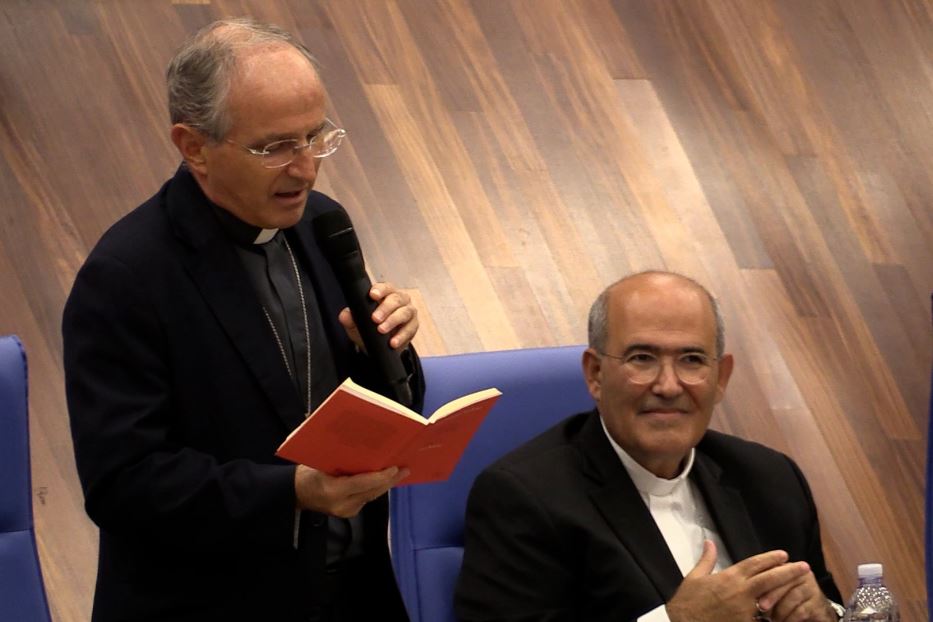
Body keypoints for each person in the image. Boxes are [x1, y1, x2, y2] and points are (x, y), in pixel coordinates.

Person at [63, 18, 423, 622]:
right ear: (194, 146)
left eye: (315, 137)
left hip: (352, 593)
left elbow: (377, 404)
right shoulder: (127, 276)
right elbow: (124, 484)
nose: (305, 168)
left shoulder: (320, 222)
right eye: (274, 146)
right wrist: (292, 493)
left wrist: (385, 348)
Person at [455, 271, 845, 622]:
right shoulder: (523, 497)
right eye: (642, 358)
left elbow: (824, 600)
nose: (669, 385)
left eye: (691, 360)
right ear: (595, 374)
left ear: (721, 377)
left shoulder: (771, 478)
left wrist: (824, 614)